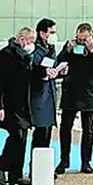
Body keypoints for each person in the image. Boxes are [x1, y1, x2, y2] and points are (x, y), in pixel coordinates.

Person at [55, 23, 93, 175]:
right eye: (80, 39)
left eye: (84, 39)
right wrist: (67, 50)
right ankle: (64, 160)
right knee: (65, 127)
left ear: (91, 35)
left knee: (88, 129)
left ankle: (86, 162)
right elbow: (58, 62)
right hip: (71, 90)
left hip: (89, 92)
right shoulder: (72, 45)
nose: (82, 42)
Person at [0, 26, 38, 185]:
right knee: (16, 136)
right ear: (22, 39)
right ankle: (2, 167)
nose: (32, 44)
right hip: (9, 104)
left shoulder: (27, 56)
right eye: (31, 41)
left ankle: (16, 174)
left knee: (23, 138)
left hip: (23, 104)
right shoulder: (6, 55)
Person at [29, 19, 65, 176]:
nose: (53, 36)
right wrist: (44, 73)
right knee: (40, 134)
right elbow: (34, 71)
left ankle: (44, 168)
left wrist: (60, 71)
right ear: (42, 33)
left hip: (49, 96)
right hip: (39, 97)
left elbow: (53, 67)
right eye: (51, 32)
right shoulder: (34, 50)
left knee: (47, 134)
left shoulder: (50, 48)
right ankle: (35, 169)